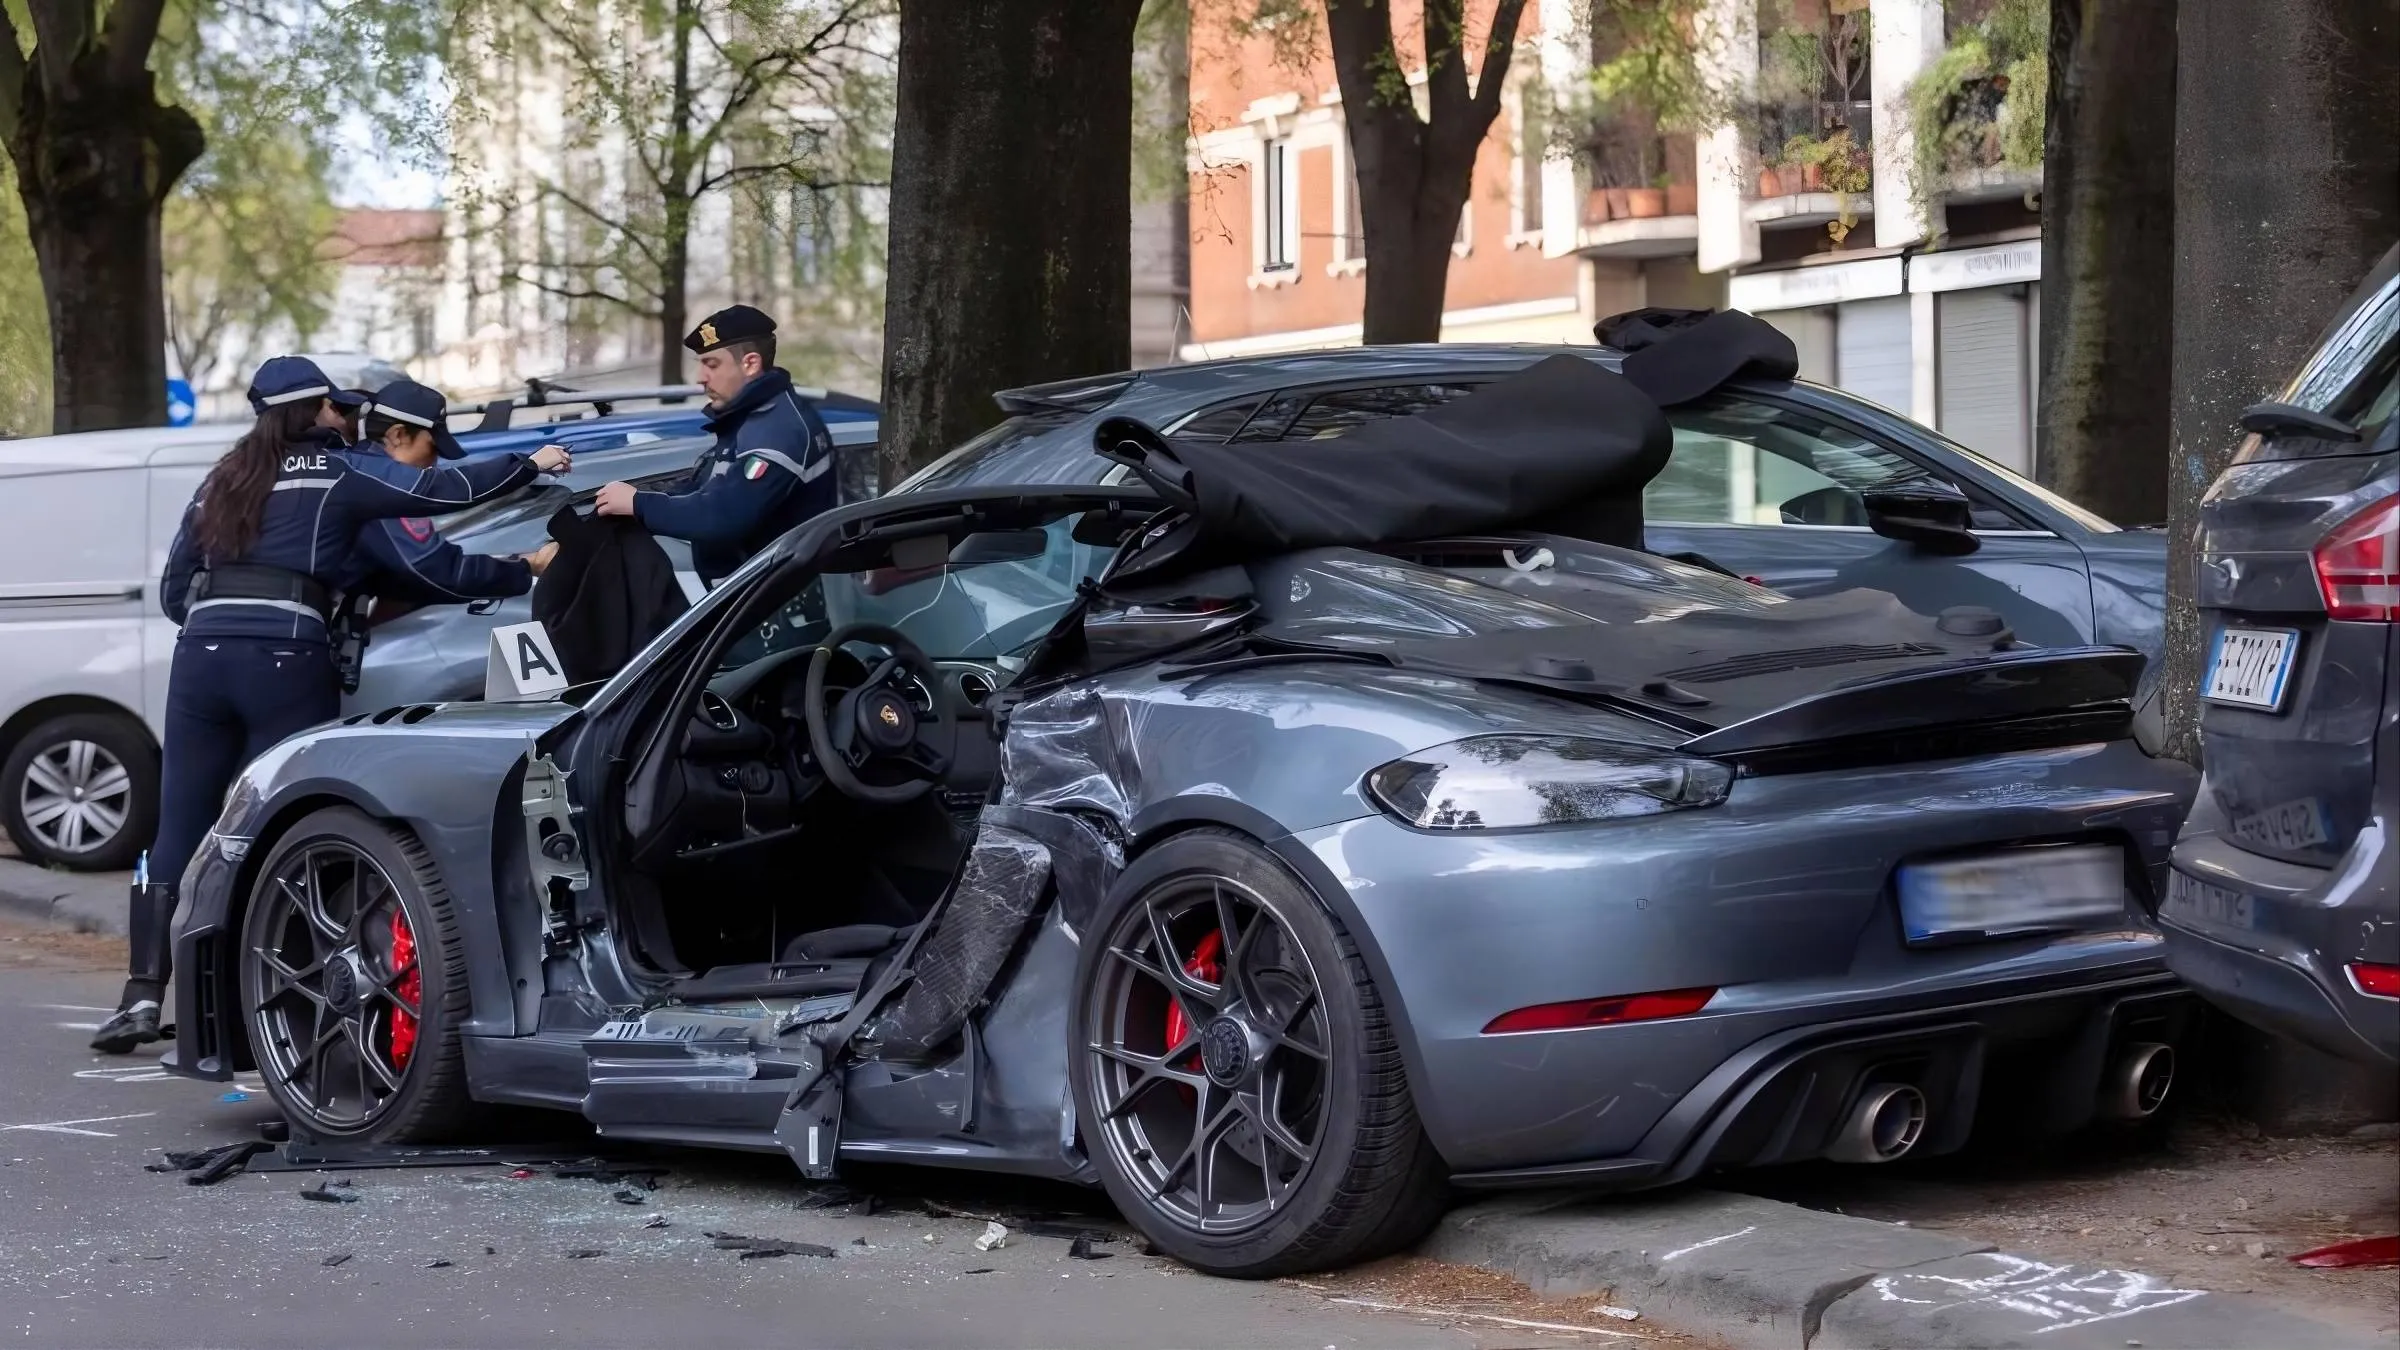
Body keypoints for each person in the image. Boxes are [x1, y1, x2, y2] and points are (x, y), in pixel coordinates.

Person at [89, 358, 572, 1054]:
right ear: (316, 411)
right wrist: (530, 462)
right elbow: (440, 490)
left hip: (201, 657)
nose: (347, 420)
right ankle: (247, 1008)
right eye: (337, 408)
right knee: (274, 827)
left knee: (181, 825)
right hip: (288, 653)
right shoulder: (336, 471)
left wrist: (224, 618)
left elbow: (174, 591)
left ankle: (140, 996)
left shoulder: (224, 477)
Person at [593, 304, 837, 585]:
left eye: (712, 364)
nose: (700, 377)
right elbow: (702, 491)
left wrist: (639, 503)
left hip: (776, 611)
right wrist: (636, 498)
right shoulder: (752, 419)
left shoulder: (779, 430)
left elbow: (722, 514)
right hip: (754, 603)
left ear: (750, 363)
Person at [338, 379, 561, 603]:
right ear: (398, 435)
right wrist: (530, 566)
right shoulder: (377, 488)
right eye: (432, 447)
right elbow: (437, 571)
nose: (434, 461)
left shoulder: (348, 467)